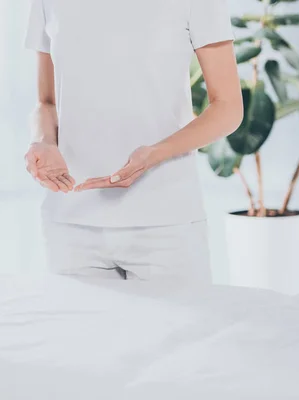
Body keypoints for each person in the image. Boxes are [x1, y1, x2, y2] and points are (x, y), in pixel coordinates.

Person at [24, 0, 243, 284]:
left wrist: (155, 153)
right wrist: (43, 142)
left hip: (166, 223)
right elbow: (47, 102)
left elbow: (228, 107)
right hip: (71, 224)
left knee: (180, 329)